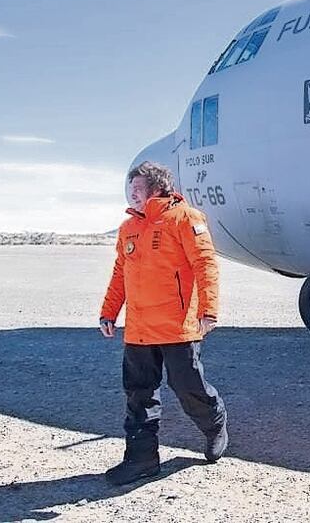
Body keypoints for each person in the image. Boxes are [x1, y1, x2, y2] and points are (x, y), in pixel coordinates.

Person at [99, 161, 228, 486]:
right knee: (139, 395)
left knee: (187, 387)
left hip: (177, 326)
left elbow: (205, 264)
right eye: (129, 188)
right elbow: (120, 273)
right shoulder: (128, 228)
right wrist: (109, 311)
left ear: (157, 188)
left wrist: (209, 309)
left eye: (137, 187)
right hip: (139, 329)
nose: (132, 193)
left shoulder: (185, 218)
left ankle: (214, 423)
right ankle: (142, 459)